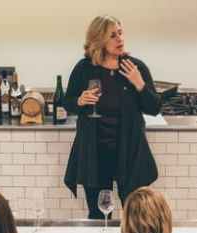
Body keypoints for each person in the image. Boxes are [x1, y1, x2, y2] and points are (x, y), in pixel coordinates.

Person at [64, 15, 161, 219]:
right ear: (99, 40)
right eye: (112, 35)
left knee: (136, 216)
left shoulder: (135, 67)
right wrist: (79, 101)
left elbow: (154, 107)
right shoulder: (84, 68)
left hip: (129, 152)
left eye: (120, 32)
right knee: (99, 214)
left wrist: (139, 84)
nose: (120, 39)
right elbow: (67, 102)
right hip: (96, 154)